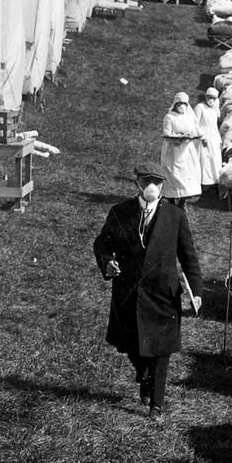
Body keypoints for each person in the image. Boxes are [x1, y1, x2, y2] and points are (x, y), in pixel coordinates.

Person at [92, 162, 203, 425]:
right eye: (146, 180)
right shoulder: (120, 212)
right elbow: (102, 244)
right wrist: (107, 263)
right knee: (132, 344)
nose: (151, 186)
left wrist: (196, 290)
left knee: (161, 349)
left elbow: (188, 255)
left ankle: (157, 404)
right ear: (137, 183)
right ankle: (143, 373)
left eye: (157, 181)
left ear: (163, 186)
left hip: (163, 293)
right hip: (129, 291)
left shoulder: (175, 216)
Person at [160, 91, 203, 205]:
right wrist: (178, 138)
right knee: (173, 173)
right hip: (173, 151)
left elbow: (195, 130)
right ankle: (171, 199)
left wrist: (192, 136)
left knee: (186, 174)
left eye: (184, 103)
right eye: (179, 103)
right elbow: (166, 133)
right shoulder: (169, 117)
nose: (182, 106)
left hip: (186, 150)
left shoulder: (188, 117)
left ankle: (182, 201)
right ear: (175, 104)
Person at [196, 87, 222, 188]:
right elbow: (195, 124)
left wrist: (219, 141)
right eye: (209, 97)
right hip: (203, 138)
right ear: (206, 97)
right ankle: (204, 184)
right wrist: (202, 137)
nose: (211, 100)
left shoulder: (214, 109)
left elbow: (215, 126)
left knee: (215, 159)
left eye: (213, 98)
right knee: (205, 161)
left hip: (214, 137)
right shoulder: (200, 107)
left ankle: (215, 182)